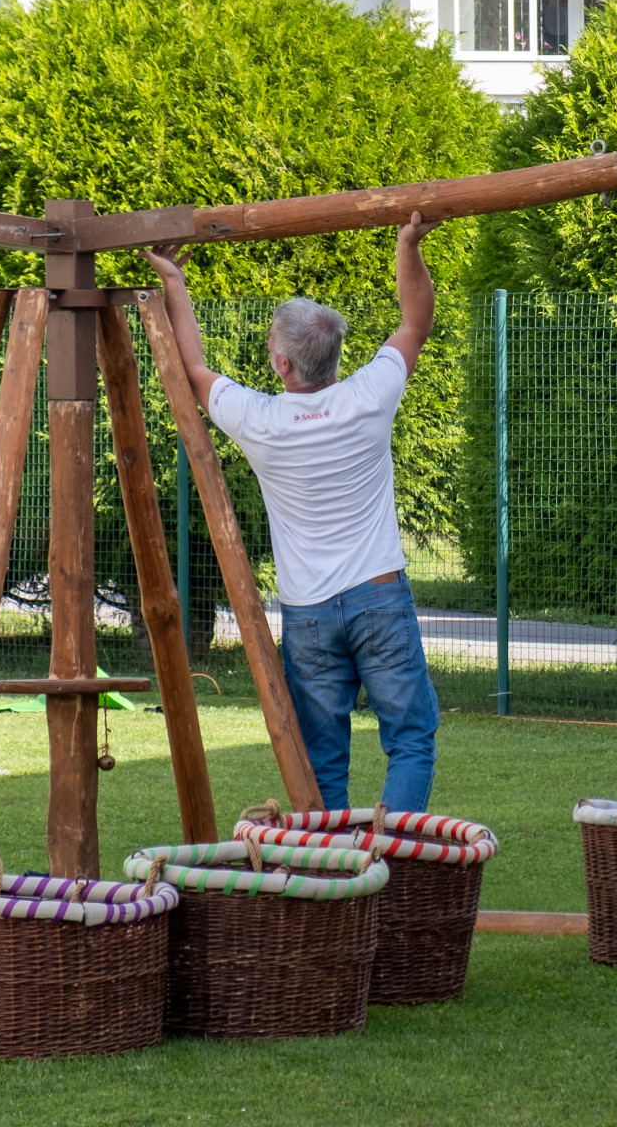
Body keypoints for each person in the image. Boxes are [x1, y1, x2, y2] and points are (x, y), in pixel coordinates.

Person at [143, 212, 441, 813]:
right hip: (379, 596)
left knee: (321, 758)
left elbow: (193, 368)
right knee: (411, 738)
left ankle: (335, 868)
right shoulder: (369, 395)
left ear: (282, 364)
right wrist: (407, 243)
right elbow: (416, 321)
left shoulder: (260, 421)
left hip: (308, 614)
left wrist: (174, 282)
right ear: (335, 356)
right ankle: (394, 857)